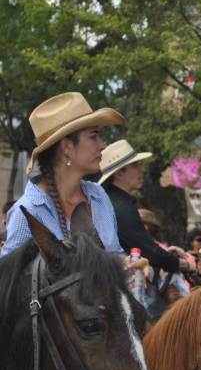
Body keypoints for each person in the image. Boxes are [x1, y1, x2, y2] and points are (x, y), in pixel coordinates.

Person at [2, 92, 125, 256]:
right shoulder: (27, 213)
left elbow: (116, 256)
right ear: (66, 147)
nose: (102, 145)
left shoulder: (98, 196)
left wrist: (134, 266)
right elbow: (8, 278)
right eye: (93, 136)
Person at [99, 139, 194, 274]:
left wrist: (167, 254)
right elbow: (147, 250)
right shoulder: (121, 207)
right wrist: (185, 265)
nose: (142, 169)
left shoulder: (112, 202)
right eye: (136, 165)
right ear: (119, 173)